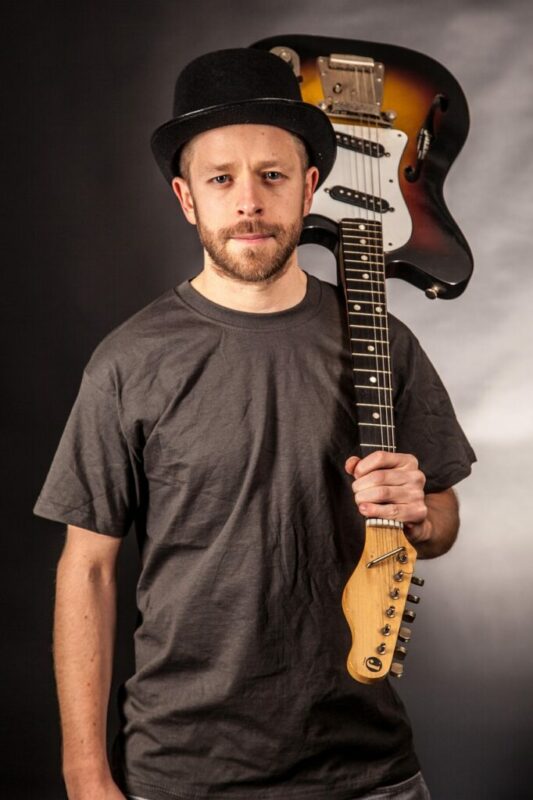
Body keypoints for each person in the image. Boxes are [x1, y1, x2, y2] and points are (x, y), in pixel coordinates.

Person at [33, 48, 476, 800]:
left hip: (368, 771)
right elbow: (89, 568)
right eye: (221, 179)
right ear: (186, 198)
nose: (248, 202)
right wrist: (84, 772)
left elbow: (438, 521)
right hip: (184, 771)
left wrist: (418, 511)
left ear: (309, 189)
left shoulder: (381, 339)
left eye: (271, 176)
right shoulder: (128, 363)